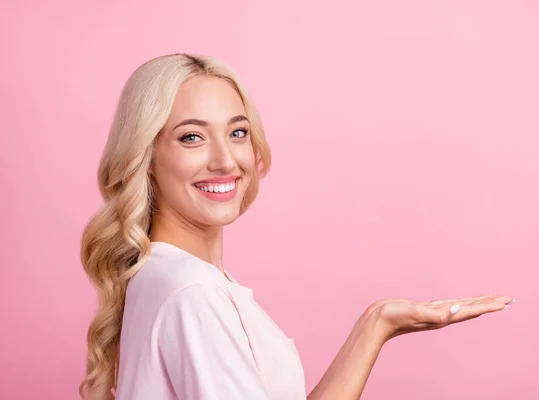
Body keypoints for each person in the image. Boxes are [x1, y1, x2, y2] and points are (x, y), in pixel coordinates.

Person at [79, 53, 514, 400]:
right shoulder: (194, 294)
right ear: (146, 157)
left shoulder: (163, 277)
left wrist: (376, 325)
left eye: (238, 132)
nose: (225, 160)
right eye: (192, 137)